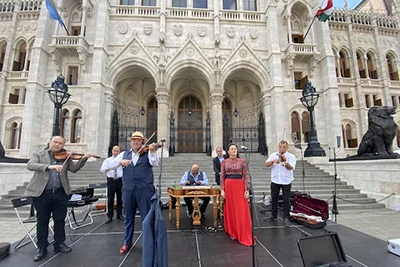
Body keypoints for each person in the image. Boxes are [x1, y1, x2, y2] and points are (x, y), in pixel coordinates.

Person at [25, 136, 93, 262]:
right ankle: (41, 247)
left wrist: (83, 159)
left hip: (60, 193)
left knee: (60, 219)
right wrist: (49, 167)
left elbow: (74, 169)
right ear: (50, 142)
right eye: (55, 142)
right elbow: (30, 165)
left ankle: (59, 243)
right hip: (42, 193)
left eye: (60, 143)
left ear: (63, 145)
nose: (57, 145)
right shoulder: (39, 154)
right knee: (42, 221)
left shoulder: (66, 156)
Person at [108, 131, 160, 255]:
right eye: (133, 140)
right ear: (130, 142)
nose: (136, 142)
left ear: (142, 142)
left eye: (138, 140)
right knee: (128, 217)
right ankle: (127, 242)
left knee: (146, 217)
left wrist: (152, 151)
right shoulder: (123, 154)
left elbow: (155, 163)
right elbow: (109, 166)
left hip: (144, 189)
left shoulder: (147, 153)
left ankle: (149, 242)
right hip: (128, 189)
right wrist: (119, 162)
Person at [220, 143, 253, 246]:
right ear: (228, 151)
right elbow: (222, 176)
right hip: (228, 186)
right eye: (232, 149)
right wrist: (222, 190)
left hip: (239, 186)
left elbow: (245, 175)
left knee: (241, 208)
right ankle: (232, 230)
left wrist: (246, 189)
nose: (234, 150)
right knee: (231, 208)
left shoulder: (242, 161)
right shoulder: (224, 162)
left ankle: (242, 229)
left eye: (235, 149)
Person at [265, 140, 296, 222]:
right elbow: (266, 164)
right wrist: (272, 161)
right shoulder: (273, 155)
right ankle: (273, 215)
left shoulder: (291, 157)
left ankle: (286, 216)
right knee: (274, 197)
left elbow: (291, 167)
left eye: (283, 147)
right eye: (280, 147)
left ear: (287, 148)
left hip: (286, 180)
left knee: (286, 199)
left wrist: (286, 164)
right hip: (275, 179)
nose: (281, 149)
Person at [100, 145, 123, 224]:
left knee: (120, 198)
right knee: (110, 198)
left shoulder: (122, 160)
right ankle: (109, 215)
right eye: (115, 151)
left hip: (120, 180)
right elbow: (102, 169)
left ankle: (119, 214)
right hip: (111, 180)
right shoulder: (108, 160)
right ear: (112, 151)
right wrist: (108, 168)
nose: (116, 152)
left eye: (117, 151)